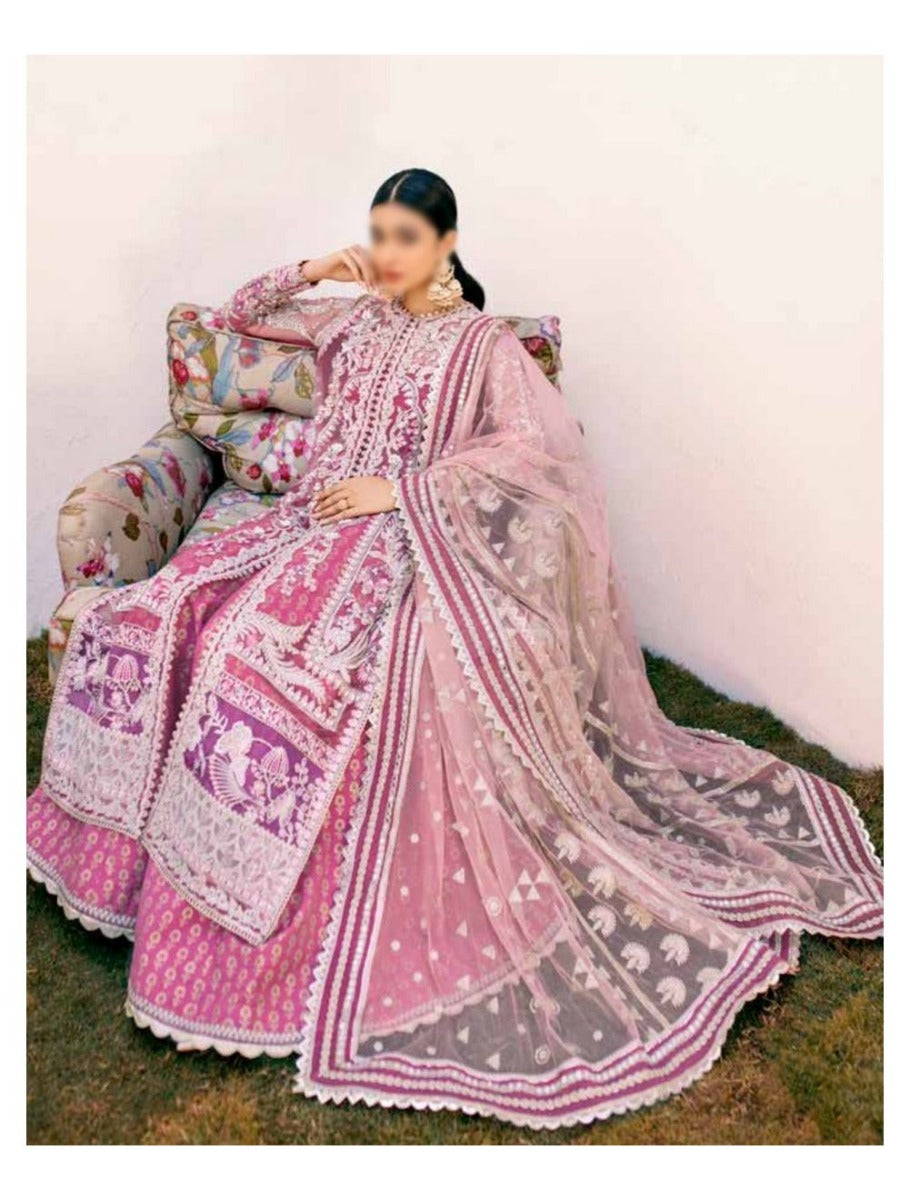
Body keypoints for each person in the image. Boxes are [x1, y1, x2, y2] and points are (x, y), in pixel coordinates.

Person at [26, 167, 883, 1131]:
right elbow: (233, 318)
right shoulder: (353, 322)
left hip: (402, 543)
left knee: (257, 669)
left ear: (445, 242)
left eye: (404, 238)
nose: (386, 255)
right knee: (157, 618)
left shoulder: (481, 347)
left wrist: (400, 492)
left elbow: (536, 457)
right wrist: (320, 267)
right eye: (377, 235)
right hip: (303, 529)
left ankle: (248, 939)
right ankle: (126, 883)